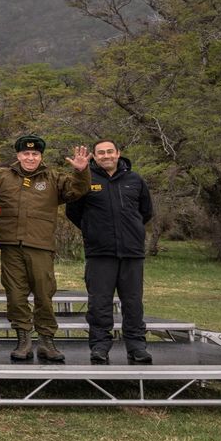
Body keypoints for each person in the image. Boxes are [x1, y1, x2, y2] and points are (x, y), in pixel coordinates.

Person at [0, 134, 91, 362]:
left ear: (41, 156)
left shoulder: (53, 178)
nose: (30, 158)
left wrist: (81, 171)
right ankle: (23, 340)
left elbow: (77, 190)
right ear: (18, 155)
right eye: (26, 153)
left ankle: (46, 341)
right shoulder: (1, 176)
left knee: (44, 294)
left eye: (35, 154)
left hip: (41, 245)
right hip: (11, 246)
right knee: (15, 295)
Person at [65, 140, 154, 364]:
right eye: (101, 153)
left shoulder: (135, 180)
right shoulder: (88, 180)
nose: (106, 156)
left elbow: (145, 212)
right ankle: (100, 346)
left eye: (110, 152)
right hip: (100, 253)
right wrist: (93, 230)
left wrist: (131, 230)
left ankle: (136, 346)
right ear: (94, 157)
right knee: (99, 304)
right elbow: (73, 212)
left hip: (131, 253)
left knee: (133, 303)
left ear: (118, 153)